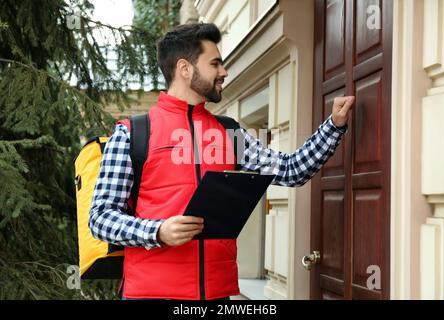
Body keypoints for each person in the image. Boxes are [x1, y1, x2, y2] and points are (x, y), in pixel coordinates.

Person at [89, 23, 355, 300]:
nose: (224, 72)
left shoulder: (229, 132)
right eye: (215, 63)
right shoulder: (133, 133)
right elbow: (100, 218)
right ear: (185, 68)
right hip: (150, 294)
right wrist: (157, 231)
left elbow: (291, 171)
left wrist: (333, 126)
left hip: (218, 295)